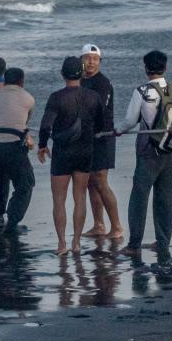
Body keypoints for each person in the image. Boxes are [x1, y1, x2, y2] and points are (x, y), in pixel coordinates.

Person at [115, 50, 172, 265]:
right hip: (169, 149)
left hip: (148, 151)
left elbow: (130, 120)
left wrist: (118, 130)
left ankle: (134, 245)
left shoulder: (142, 91)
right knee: (165, 199)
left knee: (139, 198)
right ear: (165, 67)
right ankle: (163, 242)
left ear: (146, 68)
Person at [38, 57, 103, 255]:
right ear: (82, 73)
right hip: (85, 151)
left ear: (62, 74)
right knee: (80, 197)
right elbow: (101, 124)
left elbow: (46, 126)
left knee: (59, 199)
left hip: (62, 152)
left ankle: (61, 244)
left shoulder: (56, 97)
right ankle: (76, 242)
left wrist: (42, 145)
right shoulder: (93, 96)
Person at [80, 44, 123, 239]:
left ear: (100, 62)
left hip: (102, 137)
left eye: (95, 59)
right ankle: (98, 224)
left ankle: (117, 227)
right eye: (87, 58)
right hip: (86, 137)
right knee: (90, 182)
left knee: (100, 180)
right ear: (81, 60)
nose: (91, 62)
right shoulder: (80, 81)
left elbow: (99, 111)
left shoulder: (103, 82)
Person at [0, 67, 35, 231]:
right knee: (25, 184)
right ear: (22, 82)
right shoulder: (29, 98)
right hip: (13, 147)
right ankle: (12, 221)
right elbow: (24, 124)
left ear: (4, 81)